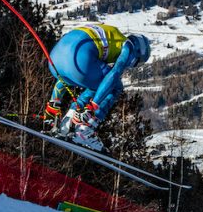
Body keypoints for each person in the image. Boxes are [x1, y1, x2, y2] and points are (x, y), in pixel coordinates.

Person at [42, 23, 150, 151]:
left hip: (55, 60)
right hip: (80, 60)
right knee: (114, 86)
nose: (132, 66)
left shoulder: (110, 34)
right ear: (138, 52)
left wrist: (54, 103)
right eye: (137, 62)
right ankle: (85, 128)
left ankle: (68, 120)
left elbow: (66, 69)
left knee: (95, 83)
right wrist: (93, 106)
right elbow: (115, 73)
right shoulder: (128, 46)